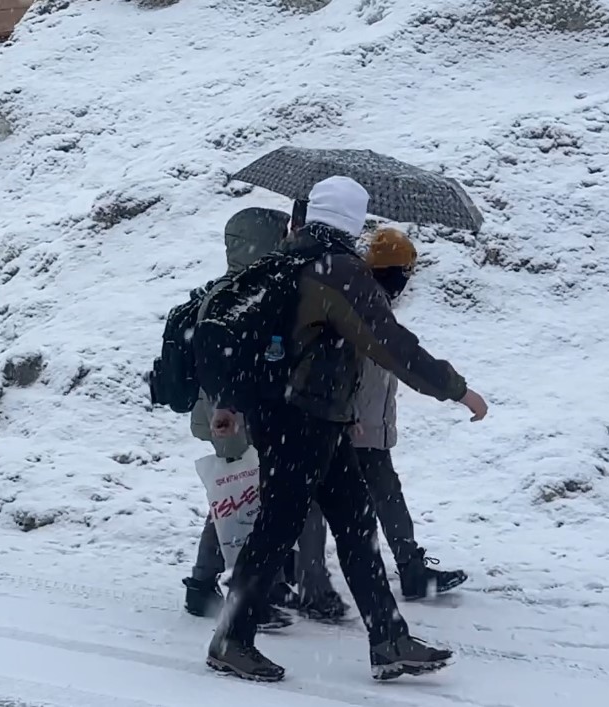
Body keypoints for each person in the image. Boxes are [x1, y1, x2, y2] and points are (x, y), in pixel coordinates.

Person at [201, 176, 489, 682]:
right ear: (353, 221)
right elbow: (389, 343)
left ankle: (389, 640)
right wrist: (456, 389)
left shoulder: (288, 258)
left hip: (307, 418)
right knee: (277, 527)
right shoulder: (339, 271)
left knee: (356, 526)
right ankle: (231, 640)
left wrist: (230, 400)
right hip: (302, 420)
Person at [183, 206, 347, 626]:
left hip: (258, 410)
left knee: (254, 495)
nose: (287, 244)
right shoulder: (230, 296)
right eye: (281, 237)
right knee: (236, 497)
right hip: (230, 412)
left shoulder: (260, 288)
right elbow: (221, 363)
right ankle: (208, 585)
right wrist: (233, 407)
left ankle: (259, 581)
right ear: (259, 242)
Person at [353, 227, 468, 599]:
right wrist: (459, 392)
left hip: (361, 424)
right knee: (379, 496)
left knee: (378, 495)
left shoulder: (362, 299)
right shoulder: (366, 306)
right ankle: (409, 572)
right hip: (355, 425)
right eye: (405, 272)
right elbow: (403, 360)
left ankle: (410, 569)